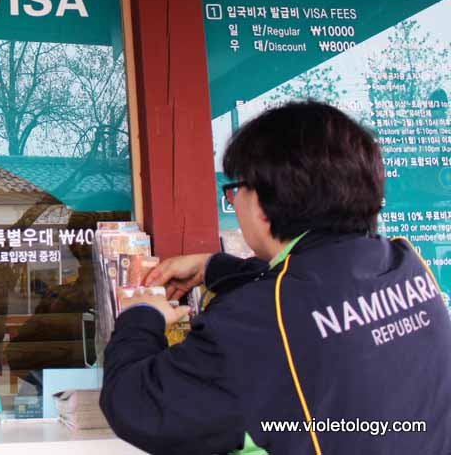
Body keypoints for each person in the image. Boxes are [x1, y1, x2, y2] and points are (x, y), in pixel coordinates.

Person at [100, 101, 451, 455]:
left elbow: (136, 403)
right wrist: (214, 267)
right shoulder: (404, 264)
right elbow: (316, 296)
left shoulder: (254, 325)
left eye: (234, 190)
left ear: (263, 204)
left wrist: (140, 314)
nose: (233, 202)